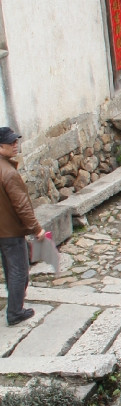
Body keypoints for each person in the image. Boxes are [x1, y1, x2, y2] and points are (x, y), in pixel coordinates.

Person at [0, 127, 45, 326]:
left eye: (15, 141)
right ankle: (15, 311)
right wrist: (36, 229)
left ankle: (14, 302)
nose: (15, 145)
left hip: (2, 230)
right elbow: (22, 206)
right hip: (10, 231)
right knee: (19, 270)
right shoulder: (8, 173)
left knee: (10, 267)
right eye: (10, 143)